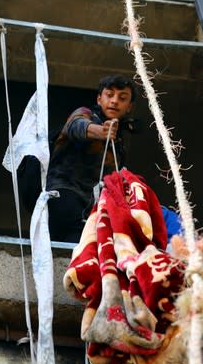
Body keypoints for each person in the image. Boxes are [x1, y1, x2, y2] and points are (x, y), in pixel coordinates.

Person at [46, 74, 136, 243]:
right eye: (109, 95)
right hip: (65, 193)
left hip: (92, 206)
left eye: (122, 98)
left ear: (129, 107)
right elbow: (75, 126)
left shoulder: (119, 144)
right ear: (99, 99)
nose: (115, 101)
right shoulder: (85, 114)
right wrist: (101, 131)